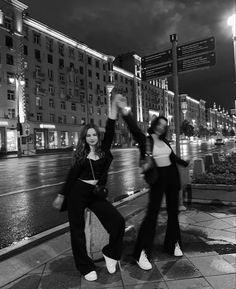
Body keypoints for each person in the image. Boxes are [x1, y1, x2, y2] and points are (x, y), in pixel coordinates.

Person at [52, 94, 125, 281]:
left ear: (97, 136)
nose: (92, 138)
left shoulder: (104, 150)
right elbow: (71, 176)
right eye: (88, 135)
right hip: (78, 193)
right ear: (84, 137)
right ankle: (85, 267)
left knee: (118, 222)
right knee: (77, 232)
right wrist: (62, 195)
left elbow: (110, 129)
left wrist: (114, 109)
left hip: (95, 194)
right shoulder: (81, 155)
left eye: (94, 134)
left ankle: (111, 253)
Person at [116, 95, 189, 271]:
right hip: (158, 179)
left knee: (173, 213)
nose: (162, 127)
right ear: (155, 125)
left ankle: (173, 244)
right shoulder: (146, 140)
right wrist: (124, 110)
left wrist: (184, 162)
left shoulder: (164, 141)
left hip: (172, 177)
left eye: (165, 126)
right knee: (152, 216)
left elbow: (171, 156)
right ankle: (141, 253)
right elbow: (133, 128)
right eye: (160, 124)